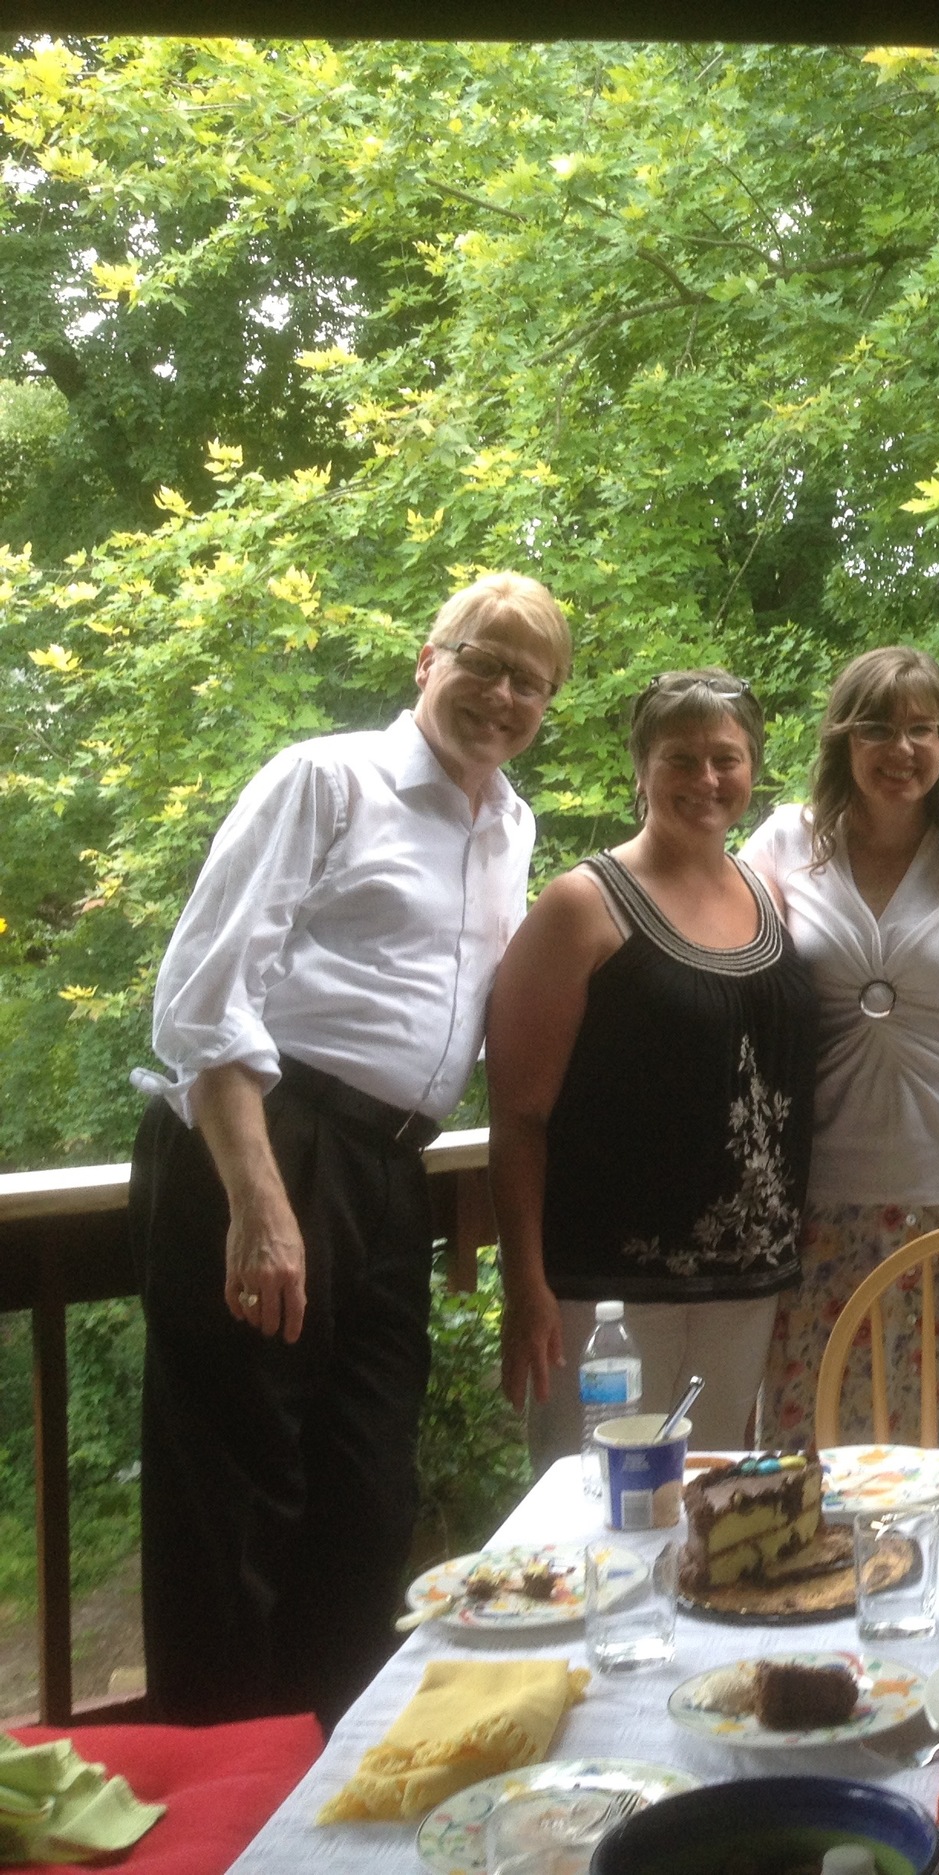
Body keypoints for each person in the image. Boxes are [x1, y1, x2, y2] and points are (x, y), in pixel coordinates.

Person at [127, 572, 571, 1725]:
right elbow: (201, 995)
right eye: (484, 660)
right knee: (236, 1498)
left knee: (366, 1492)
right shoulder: (328, 778)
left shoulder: (509, 823)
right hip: (269, 1143)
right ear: (429, 660)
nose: (503, 692)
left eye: (531, 680)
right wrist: (258, 1200)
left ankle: (324, 1778)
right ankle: (228, 1794)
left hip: (388, 1172)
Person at [487, 670, 818, 1465]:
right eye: (681, 759)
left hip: (747, 1282)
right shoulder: (582, 906)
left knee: (706, 1503)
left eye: (726, 758)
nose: (706, 779)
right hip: (606, 1292)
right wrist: (525, 1285)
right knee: (593, 1507)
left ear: (753, 767)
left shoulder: (767, 889)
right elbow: (519, 1113)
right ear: (641, 770)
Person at [745, 647, 939, 1444]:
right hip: (818, 1192)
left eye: (923, 729)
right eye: (878, 727)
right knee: (816, 1430)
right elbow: (729, 978)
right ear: (843, 739)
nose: (901, 750)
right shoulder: (783, 843)